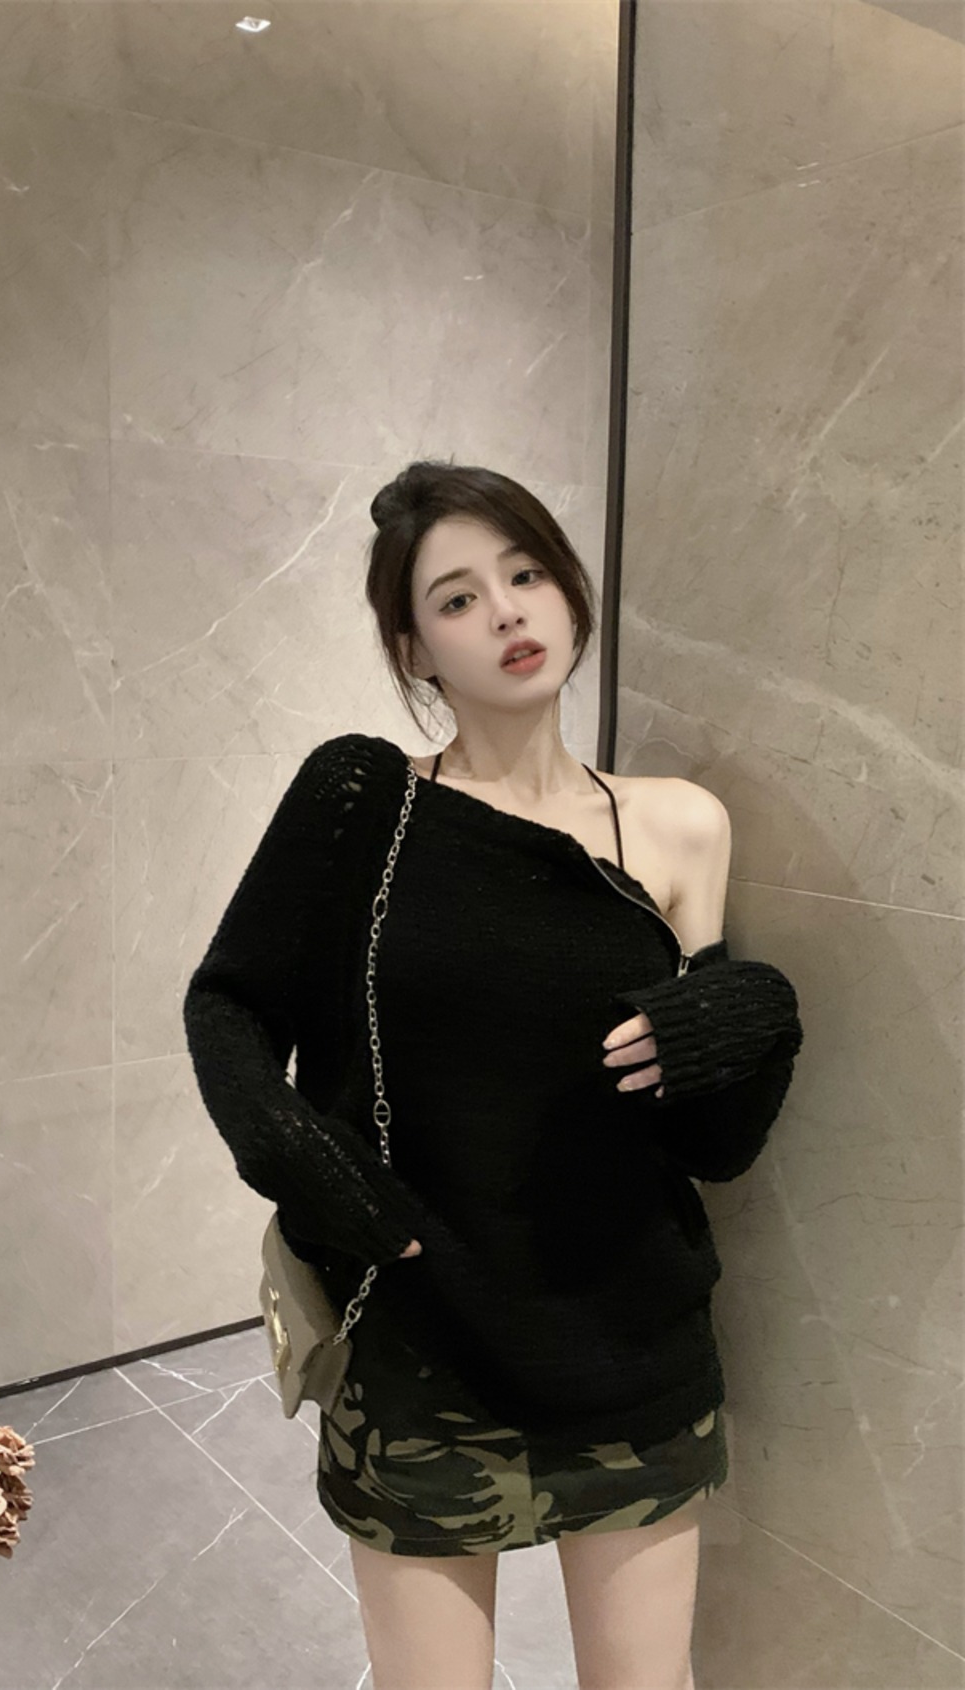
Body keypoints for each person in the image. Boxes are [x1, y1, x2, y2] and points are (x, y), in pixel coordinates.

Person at [183, 460, 805, 1690]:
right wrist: (306, 1165)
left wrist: (756, 1019)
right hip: (423, 1345)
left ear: (569, 590)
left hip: (630, 1342)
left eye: (524, 574)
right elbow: (229, 1004)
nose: (507, 612)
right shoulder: (362, 802)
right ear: (414, 649)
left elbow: (710, 1144)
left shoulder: (680, 823)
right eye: (457, 598)